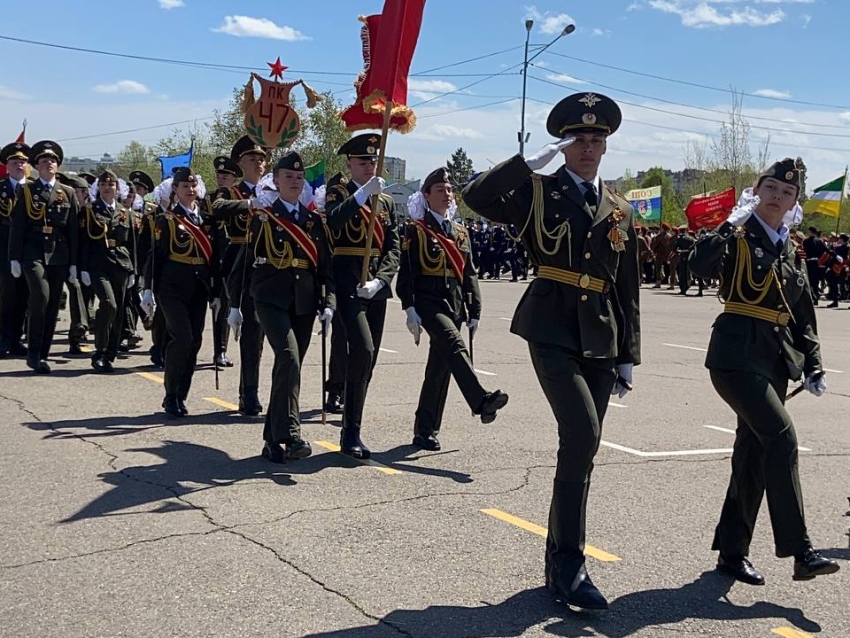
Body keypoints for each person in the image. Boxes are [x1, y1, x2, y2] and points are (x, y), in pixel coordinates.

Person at [463, 92, 640, 611]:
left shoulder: (620, 209)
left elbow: (626, 286)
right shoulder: (538, 192)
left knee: (581, 449)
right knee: (582, 433)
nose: (587, 147)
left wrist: (629, 351)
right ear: (564, 146)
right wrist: (523, 165)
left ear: (606, 146)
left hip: (602, 336)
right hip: (551, 326)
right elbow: (476, 197)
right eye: (578, 139)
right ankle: (570, 562)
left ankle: (558, 561)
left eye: (596, 139)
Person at [689, 159, 839, 586]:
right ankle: (801, 550)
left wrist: (813, 363)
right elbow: (698, 267)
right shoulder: (737, 233)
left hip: (773, 361)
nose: (778, 197)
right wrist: (726, 225)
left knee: (753, 455)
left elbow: (803, 310)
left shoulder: (789, 247)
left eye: (787, 193)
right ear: (756, 191)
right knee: (781, 436)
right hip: (735, 357)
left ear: (794, 201)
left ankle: (732, 553)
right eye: (770, 188)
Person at [228, 152, 335, 462]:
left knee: (289, 367)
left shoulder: (314, 221)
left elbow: (325, 267)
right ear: (275, 181)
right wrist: (235, 304)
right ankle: (291, 433)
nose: (294, 181)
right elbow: (245, 263)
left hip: (303, 301)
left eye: (299, 178)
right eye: (288, 176)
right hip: (269, 298)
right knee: (287, 357)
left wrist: (328, 304)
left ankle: (271, 442)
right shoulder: (263, 217)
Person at [397, 168, 508, 451]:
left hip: (455, 304)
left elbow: (469, 274)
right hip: (429, 303)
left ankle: (425, 430)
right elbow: (407, 272)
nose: (447, 195)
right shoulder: (416, 229)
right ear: (426, 196)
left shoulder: (459, 231)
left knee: (439, 368)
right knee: (454, 344)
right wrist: (409, 306)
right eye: (440, 190)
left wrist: (476, 310)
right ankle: (480, 400)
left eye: (449, 190)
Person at [324, 133, 401, 459]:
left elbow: (393, 245)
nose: (369, 166)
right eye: (362, 161)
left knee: (368, 361)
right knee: (362, 348)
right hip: (346, 283)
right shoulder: (339, 192)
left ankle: (353, 427)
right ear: (349, 164)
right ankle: (350, 433)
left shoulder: (385, 201)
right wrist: (359, 197)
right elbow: (333, 221)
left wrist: (382, 280)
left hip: (375, 288)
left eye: (372, 161)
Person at [142, 168, 220, 418]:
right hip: (172, 288)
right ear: (175, 190)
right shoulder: (166, 220)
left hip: (199, 288)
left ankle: (181, 395)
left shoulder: (207, 221)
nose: (190, 189)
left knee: (195, 341)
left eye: (193, 185)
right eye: (184, 186)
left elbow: (214, 260)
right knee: (182, 337)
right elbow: (157, 257)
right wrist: (148, 289)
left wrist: (217, 291)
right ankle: (171, 394)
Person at [9, 141, 80, 374]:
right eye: (43, 160)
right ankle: (33, 350)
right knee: (40, 295)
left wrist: (73, 263)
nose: (48, 163)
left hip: (59, 253)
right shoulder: (27, 190)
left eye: (52, 160)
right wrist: (14, 258)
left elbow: (72, 231)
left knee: (51, 306)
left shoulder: (67, 193)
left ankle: (42, 354)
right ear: (36, 166)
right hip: (33, 251)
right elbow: (18, 226)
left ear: (57, 166)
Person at [214, 136, 268, 416]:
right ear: (240, 164)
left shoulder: (272, 190)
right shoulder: (231, 192)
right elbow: (217, 208)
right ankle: (249, 394)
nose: (257, 164)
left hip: (268, 265)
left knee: (259, 334)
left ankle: (253, 389)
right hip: (240, 264)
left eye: (261, 160)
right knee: (250, 331)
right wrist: (249, 204)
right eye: (251, 159)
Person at [79, 170, 137, 372]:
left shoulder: (124, 211)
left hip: (120, 264)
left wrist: (133, 271)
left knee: (119, 310)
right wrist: (83, 268)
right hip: (98, 263)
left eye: (111, 184)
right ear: (98, 188)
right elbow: (84, 242)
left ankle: (110, 353)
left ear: (117, 188)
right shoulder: (90, 210)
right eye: (103, 184)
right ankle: (100, 350)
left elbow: (131, 244)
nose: (107, 187)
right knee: (108, 303)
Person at [209, 156, 241, 368]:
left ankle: (220, 350)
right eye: (220, 175)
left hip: (230, 257)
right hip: (209, 256)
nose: (222, 178)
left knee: (225, 303)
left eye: (226, 175)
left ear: (235, 178)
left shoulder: (239, 199)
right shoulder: (209, 198)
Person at [0, 141, 31, 357]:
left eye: (22, 161)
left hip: (29, 252)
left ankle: (17, 338)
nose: (19, 165)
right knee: (4, 297)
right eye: (14, 161)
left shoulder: (34, 190)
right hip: (2, 252)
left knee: (24, 297)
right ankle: (3, 338)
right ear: (7, 166)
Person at [802, 226, 826, 304]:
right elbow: (825, 250)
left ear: (810, 232)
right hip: (816, 262)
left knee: (808, 281)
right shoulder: (820, 241)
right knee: (815, 281)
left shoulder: (806, 241)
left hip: (808, 262)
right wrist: (835, 255)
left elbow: (804, 251)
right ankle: (815, 296)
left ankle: (812, 296)